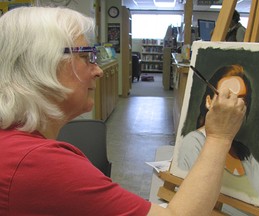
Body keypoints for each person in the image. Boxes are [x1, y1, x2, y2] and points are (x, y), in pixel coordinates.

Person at [0, 7, 246, 215]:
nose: (98, 70)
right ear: (42, 65)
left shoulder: (14, 143)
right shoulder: (39, 165)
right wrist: (219, 137)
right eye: (88, 57)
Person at [177, 65, 259, 196]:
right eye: (227, 97)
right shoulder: (193, 143)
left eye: (242, 99)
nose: (235, 105)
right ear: (208, 101)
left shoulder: (244, 153)